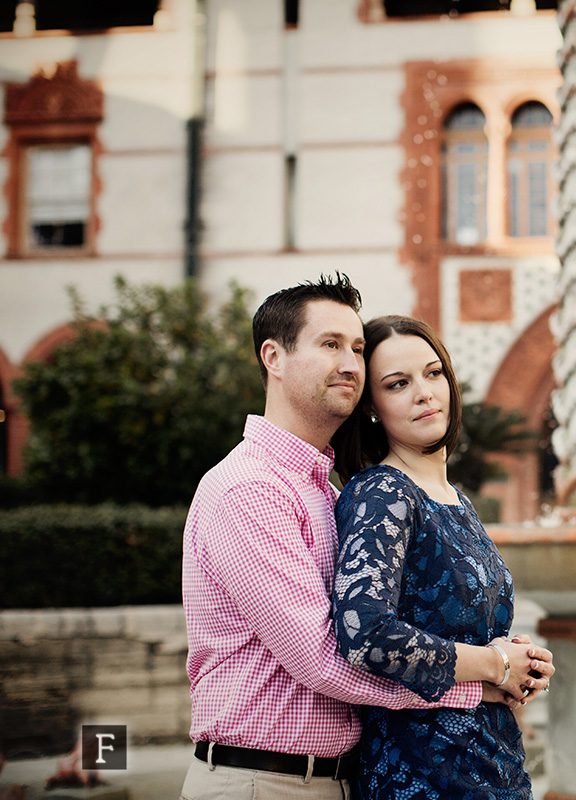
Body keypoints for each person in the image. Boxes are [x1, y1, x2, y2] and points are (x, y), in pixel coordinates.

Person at [180, 275, 532, 799]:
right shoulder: (249, 489)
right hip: (262, 780)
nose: (350, 363)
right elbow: (325, 657)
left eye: (357, 348)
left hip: (331, 777)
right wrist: (483, 677)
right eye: (330, 345)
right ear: (273, 357)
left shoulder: (322, 488)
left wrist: (498, 656)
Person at [330, 315, 552, 799]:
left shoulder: (454, 497)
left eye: (433, 374)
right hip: (422, 773)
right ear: (372, 407)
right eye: (398, 384)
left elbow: (455, 628)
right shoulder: (382, 492)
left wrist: (520, 662)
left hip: (492, 763)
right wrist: (495, 662)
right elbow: (364, 633)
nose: (424, 393)